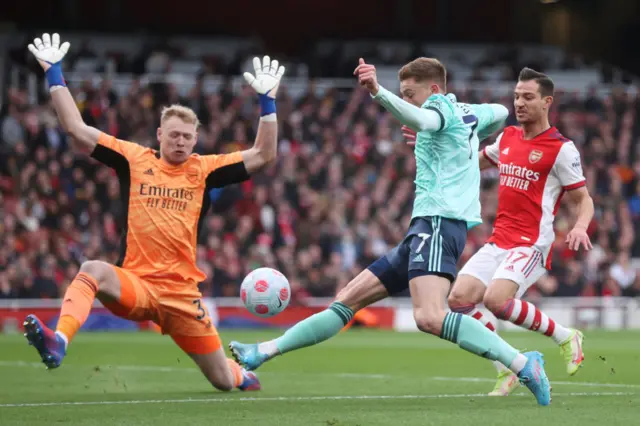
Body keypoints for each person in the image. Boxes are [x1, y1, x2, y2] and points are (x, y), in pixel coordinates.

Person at [230, 57, 552, 406]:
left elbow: (421, 117)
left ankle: (523, 363)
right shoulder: (465, 113)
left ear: (433, 90)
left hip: (439, 223)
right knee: (346, 301)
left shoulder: (438, 110)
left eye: (409, 94)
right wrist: (460, 139)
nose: (406, 100)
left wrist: (378, 92)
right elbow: (499, 112)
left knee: (430, 316)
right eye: (401, 94)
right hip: (423, 229)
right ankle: (261, 352)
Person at [23, 33, 285, 392]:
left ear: (195, 140)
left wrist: (267, 103)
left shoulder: (204, 169)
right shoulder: (133, 159)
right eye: (174, 134)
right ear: (159, 134)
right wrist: (54, 73)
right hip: (137, 285)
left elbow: (263, 155)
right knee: (93, 270)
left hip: (181, 296)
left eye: (186, 137)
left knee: (222, 380)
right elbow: (77, 129)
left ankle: (241, 375)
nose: (180, 141)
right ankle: (59, 340)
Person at [445, 67, 593, 397]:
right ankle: (508, 366)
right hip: (500, 239)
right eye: (516, 96)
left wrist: (580, 226)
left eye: (527, 97)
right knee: (458, 300)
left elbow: (583, 199)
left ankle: (566, 336)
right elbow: (477, 160)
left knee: (496, 301)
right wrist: (442, 151)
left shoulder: (561, 148)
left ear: (546, 102)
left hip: (532, 243)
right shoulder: (508, 137)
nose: (519, 103)